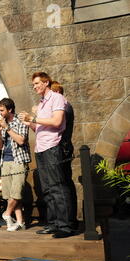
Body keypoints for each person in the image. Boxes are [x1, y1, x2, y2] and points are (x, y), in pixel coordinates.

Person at [18, 72, 75, 238]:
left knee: (58, 186)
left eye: (37, 83)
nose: (35, 86)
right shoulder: (42, 102)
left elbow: (57, 122)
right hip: (41, 148)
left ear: (46, 82)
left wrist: (34, 117)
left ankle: (65, 226)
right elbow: (41, 127)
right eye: (34, 84)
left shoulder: (56, 97)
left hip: (52, 147)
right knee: (47, 188)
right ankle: (53, 223)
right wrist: (30, 123)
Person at [0, 98, 31, 231]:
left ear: (10, 109)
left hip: (19, 160)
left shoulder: (20, 121)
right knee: (9, 194)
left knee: (16, 192)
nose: (0, 113)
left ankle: (6, 214)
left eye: (2, 110)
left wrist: (7, 128)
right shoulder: (3, 123)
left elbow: (21, 140)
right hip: (5, 161)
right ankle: (20, 222)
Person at [50, 81, 77, 226]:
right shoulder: (66, 106)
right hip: (63, 146)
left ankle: (67, 220)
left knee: (62, 184)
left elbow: (57, 124)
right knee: (63, 182)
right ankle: (65, 219)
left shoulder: (64, 107)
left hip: (62, 147)